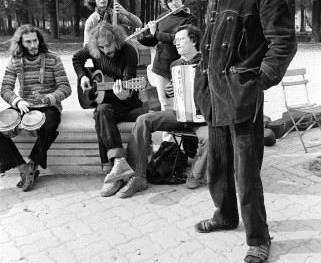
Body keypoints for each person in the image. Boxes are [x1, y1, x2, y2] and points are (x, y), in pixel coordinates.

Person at [193, 0, 297, 263]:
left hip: (242, 95)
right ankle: (225, 216)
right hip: (213, 93)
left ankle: (258, 237)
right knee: (218, 165)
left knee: (246, 172)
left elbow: (282, 43)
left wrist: (259, 81)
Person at [111, 24, 208, 198]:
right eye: (175, 40)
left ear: (193, 40)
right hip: (180, 114)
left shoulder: (208, 63)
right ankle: (138, 176)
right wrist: (171, 90)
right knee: (143, 120)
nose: (176, 43)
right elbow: (176, 92)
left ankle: (196, 173)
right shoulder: (176, 65)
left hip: (204, 118)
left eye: (180, 39)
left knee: (209, 137)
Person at [72, 22, 144, 196]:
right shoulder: (94, 47)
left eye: (108, 45)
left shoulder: (128, 52)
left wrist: (122, 94)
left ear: (116, 40)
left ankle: (111, 169)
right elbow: (77, 58)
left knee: (100, 113)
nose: (105, 50)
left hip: (124, 98)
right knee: (102, 111)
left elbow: (128, 89)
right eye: (101, 47)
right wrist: (82, 76)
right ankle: (119, 164)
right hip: (103, 98)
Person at [0, 25, 72, 191]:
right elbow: (5, 89)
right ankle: (22, 167)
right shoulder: (15, 60)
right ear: (21, 43)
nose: (33, 45)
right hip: (24, 105)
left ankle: (33, 164)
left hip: (48, 105)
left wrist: (49, 98)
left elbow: (65, 87)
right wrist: (17, 101)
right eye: (28, 42)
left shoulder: (53, 58)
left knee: (50, 124)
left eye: (35, 40)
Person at [137, 0, 198, 111]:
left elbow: (176, 39)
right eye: (169, 1)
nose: (174, 3)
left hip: (181, 66)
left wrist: (156, 33)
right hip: (161, 66)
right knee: (165, 103)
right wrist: (141, 37)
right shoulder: (161, 17)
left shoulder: (190, 19)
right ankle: (167, 130)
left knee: (183, 102)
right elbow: (153, 40)